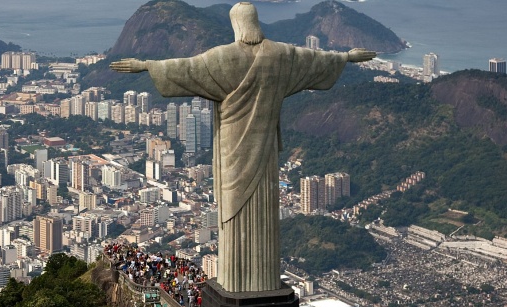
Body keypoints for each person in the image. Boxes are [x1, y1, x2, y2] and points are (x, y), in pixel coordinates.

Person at [111, 2, 375, 292]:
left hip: (232, 149)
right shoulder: (280, 55)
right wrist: (347, 57)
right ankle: (263, 281)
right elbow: (314, 60)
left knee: (234, 212)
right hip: (265, 150)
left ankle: (235, 281)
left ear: (236, 25)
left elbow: (186, 68)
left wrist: (147, 66)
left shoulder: (223, 58)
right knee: (263, 211)